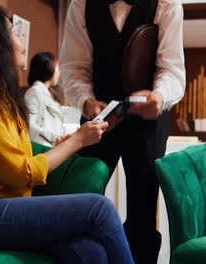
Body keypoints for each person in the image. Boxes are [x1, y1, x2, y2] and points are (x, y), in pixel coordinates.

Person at [0, 5, 134, 264]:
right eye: (14, 33)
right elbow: (23, 172)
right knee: (100, 209)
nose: (21, 42)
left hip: (0, 209)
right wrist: (77, 141)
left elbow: (20, 159)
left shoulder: (1, 100)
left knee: (91, 252)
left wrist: (64, 144)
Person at [60, 0, 186, 262]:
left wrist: (160, 97)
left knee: (142, 207)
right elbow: (74, 68)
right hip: (98, 115)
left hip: (149, 118)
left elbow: (171, 69)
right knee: (82, 195)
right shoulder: (81, 5)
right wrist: (86, 101)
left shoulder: (167, 3)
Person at [25, 52, 66, 147]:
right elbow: (29, 126)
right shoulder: (34, 92)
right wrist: (56, 139)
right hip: (43, 149)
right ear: (49, 68)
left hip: (51, 147)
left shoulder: (47, 93)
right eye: (57, 68)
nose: (59, 73)